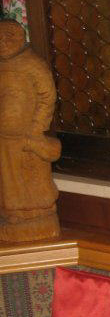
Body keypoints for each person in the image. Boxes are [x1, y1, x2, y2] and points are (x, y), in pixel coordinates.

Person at [0, 19, 60, 242]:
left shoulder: (32, 64)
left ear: (21, 38)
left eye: (9, 37)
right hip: (4, 138)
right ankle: (12, 215)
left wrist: (37, 128)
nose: (3, 42)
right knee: (8, 179)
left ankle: (37, 214)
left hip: (28, 136)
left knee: (32, 176)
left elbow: (47, 96)